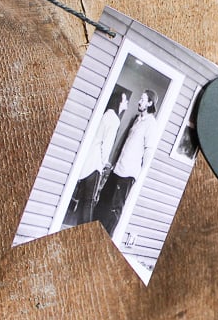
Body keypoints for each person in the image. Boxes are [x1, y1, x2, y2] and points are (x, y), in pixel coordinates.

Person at [94, 89, 158, 236]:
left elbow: (149, 152)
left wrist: (138, 174)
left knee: (114, 210)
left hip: (128, 174)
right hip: (118, 169)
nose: (139, 101)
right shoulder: (137, 119)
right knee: (103, 201)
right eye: (140, 99)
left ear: (150, 103)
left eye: (142, 99)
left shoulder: (151, 124)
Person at [65, 91, 129, 226]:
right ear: (119, 102)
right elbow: (106, 145)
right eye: (124, 100)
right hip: (95, 164)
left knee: (83, 199)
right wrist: (104, 162)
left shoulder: (107, 114)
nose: (127, 102)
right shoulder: (114, 119)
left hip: (88, 161)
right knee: (89, 201)